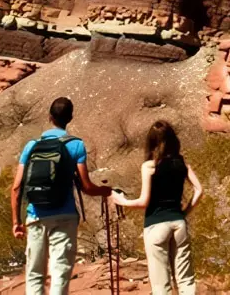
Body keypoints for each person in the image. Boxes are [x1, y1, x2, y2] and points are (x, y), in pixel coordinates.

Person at [11, 96, 112, 295]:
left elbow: (16, 188)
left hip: (36, 215)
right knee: (60, 270)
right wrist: (105, 191)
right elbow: (86, 187)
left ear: (50, 117)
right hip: (65, 215)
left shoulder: (31, 146)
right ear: (70, 118)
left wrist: (16, 221)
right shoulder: (76, 145)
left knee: (34, 273)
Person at [111, 120, 203, 295]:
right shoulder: (181, 164)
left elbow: (144, 201)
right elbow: (199, 190)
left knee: (161, 284)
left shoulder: (149, 166)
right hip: (179, 224)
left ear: (151, 142)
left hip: (155, 225)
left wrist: (122, 201)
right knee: (186, 281)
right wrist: (184, 212)